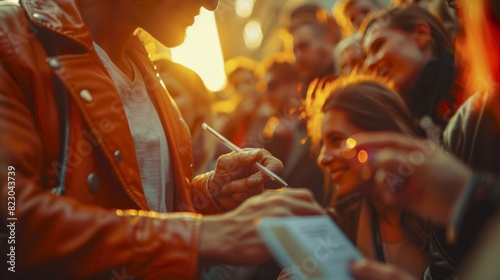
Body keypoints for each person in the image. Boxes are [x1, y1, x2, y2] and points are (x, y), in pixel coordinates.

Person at [0, 0, 324, 279]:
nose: (212, 4)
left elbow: (148, 207)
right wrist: (202, 237)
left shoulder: (150, 76)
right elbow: (12, 226)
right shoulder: (11, 40)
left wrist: (208, 195)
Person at [361, 5, 462, 136]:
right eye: (365, 57)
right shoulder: (398, 125)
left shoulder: (473, 86)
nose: (368, 64)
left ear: (421, 33)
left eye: (378, 45)